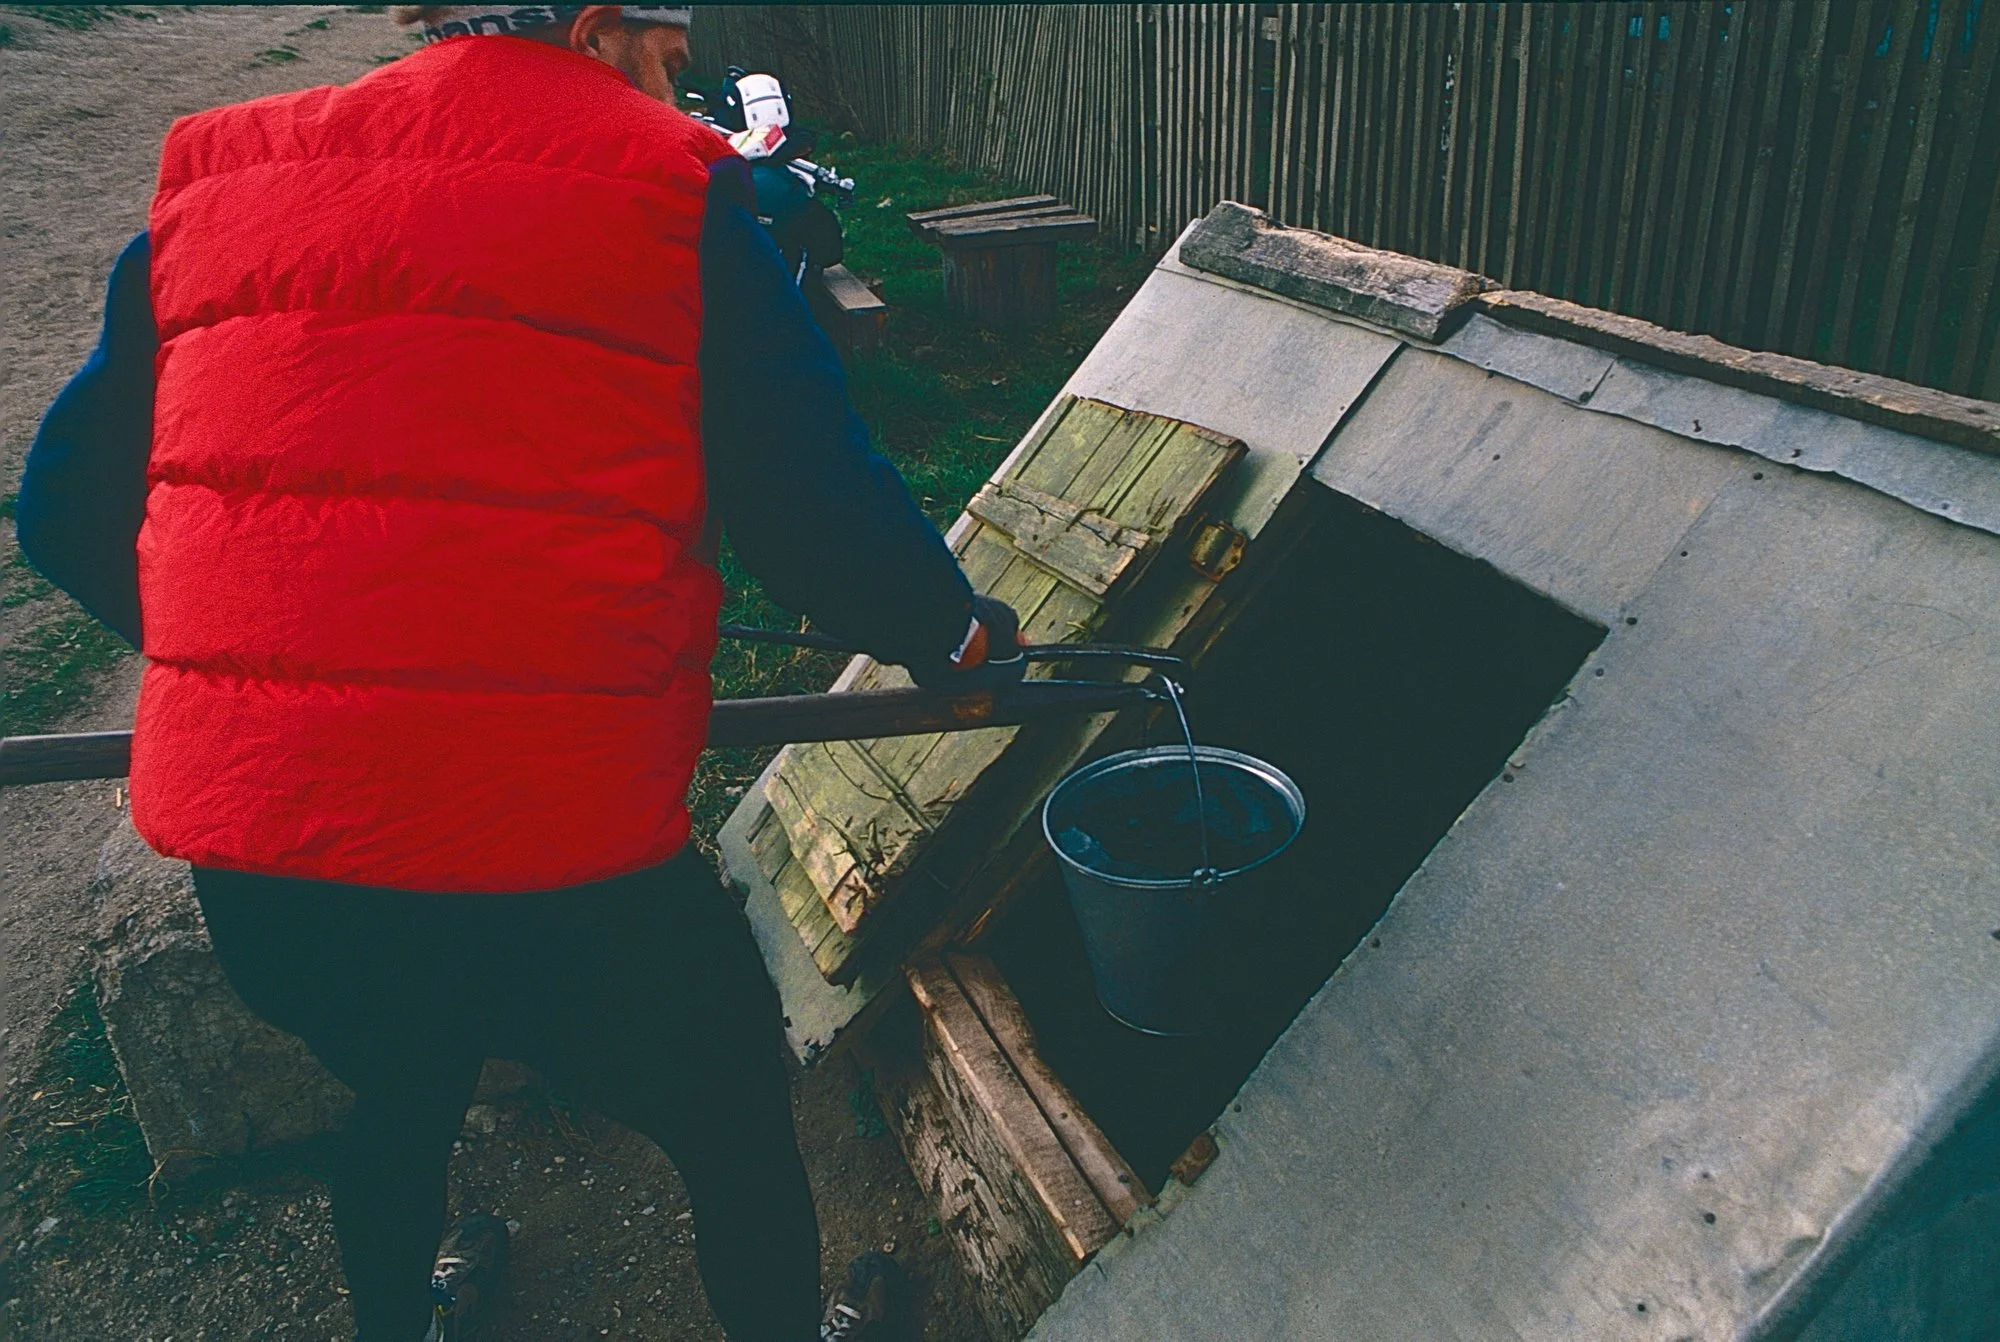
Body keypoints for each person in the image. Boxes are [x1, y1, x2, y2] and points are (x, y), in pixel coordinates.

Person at [13, 5, 1023, 1339]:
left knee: (398, 1081)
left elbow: (62, 508)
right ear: (595, 32)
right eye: (669, 63)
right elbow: (809, 504)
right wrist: (960, 647)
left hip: (279, 888)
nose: (681, 97)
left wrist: (274, 662)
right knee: (725, 1103)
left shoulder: (228, 171)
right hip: (560, 876)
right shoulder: (669, 187)